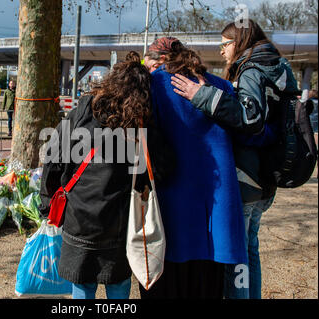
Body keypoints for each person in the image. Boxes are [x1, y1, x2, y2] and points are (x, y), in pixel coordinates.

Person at [170, 20, 299, 299]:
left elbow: (249, 118)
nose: (223, 50)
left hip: (247, 174)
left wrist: (202, 95)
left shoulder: (251, 70)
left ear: (238, 41)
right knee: (250, 248)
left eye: (225, 43)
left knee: (235, 257)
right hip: (266, 176)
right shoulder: (277, 66)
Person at [39, 58, 174, 299]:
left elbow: (53, 158)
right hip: (118, 222)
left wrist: (47, 202)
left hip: (78, 217)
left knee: (82, 285)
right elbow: (163, 168)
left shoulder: (82, 112)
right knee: (118, 285)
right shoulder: (141, 126)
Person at [141, 37, 248, 299]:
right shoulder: (221, 86)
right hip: (216, 208)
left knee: (166, 283)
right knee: (207, 285)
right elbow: (249, 131)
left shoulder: (154, 86)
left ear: (162, 60)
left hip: (170, 203)